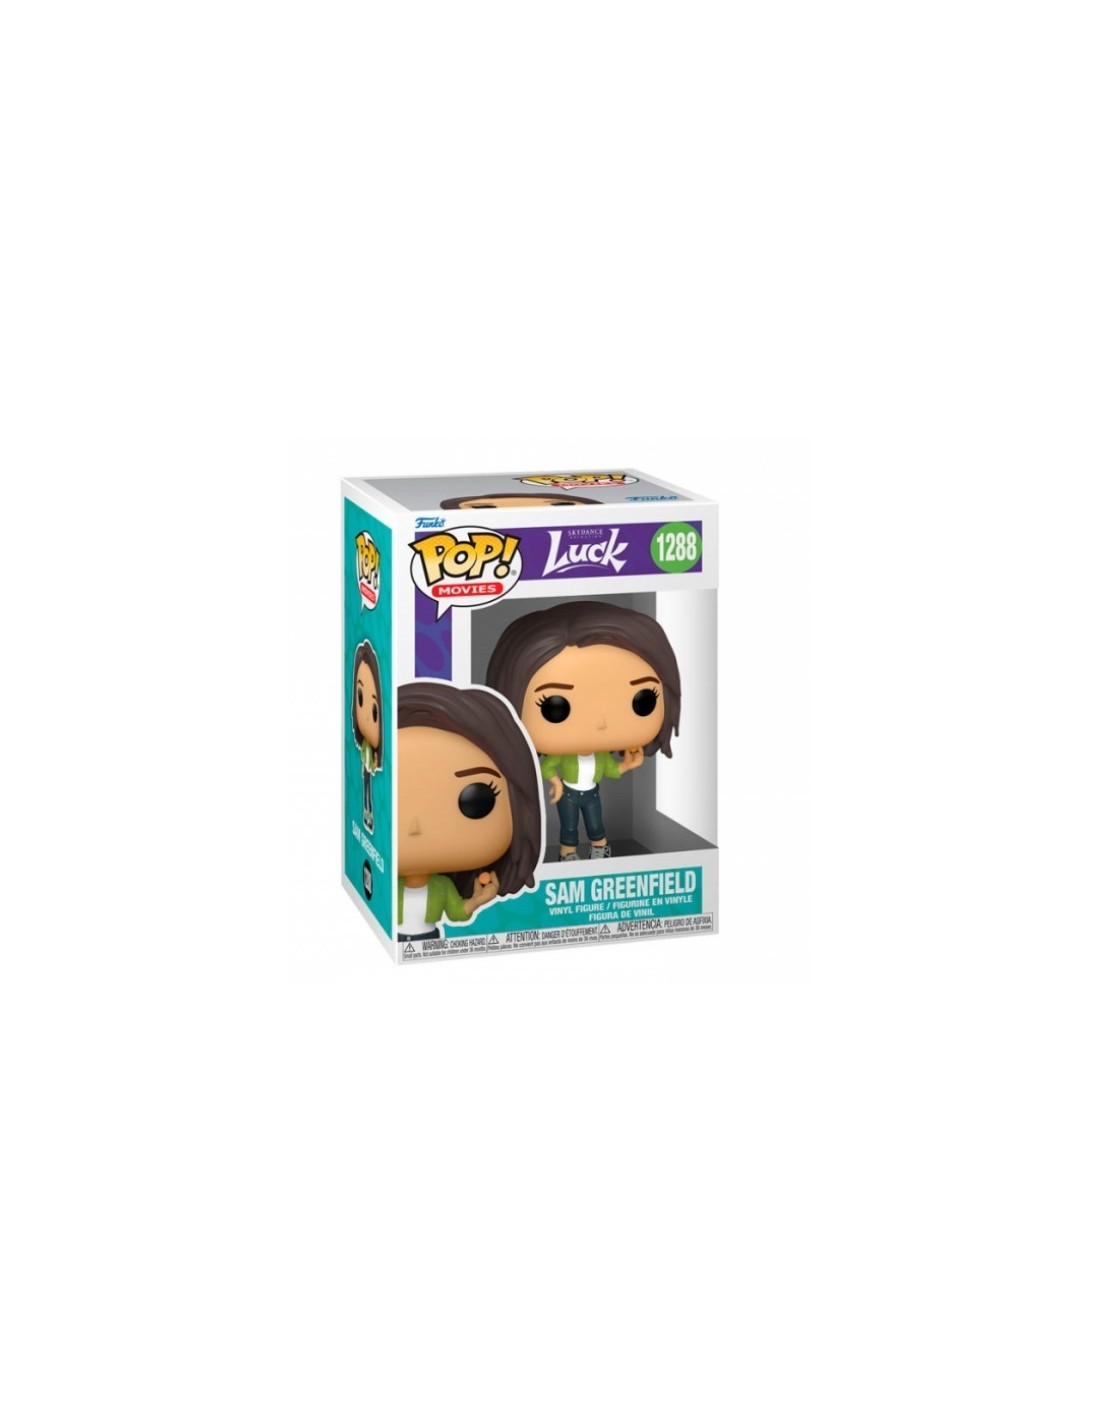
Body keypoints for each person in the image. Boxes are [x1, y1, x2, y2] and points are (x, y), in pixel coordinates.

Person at [486, 602, 681, 862]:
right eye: (555, 707)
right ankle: (568, 852)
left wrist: (628, 764)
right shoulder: (562, 756)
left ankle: (599, 847)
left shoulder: (600, 757)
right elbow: (546, 768)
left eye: (642, 700)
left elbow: (611, 770)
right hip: (568, 794)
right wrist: (556, 783)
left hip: (591, 793)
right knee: (568, 827)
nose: (601, 723)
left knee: (595, 823)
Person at [396, 681, 543, 947]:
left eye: (475, 800)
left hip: (429, 939)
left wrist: (477, 900)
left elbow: (457, 913)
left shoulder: (442, 887)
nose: (415, 826)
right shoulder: (388, 886)